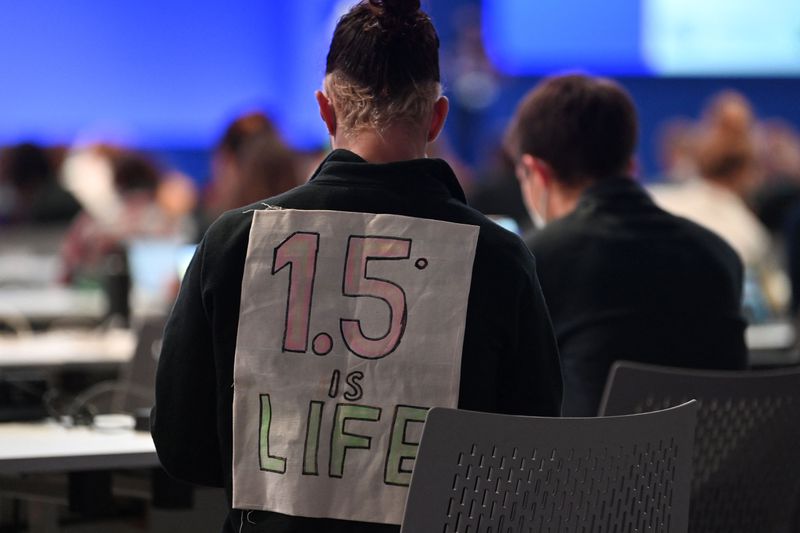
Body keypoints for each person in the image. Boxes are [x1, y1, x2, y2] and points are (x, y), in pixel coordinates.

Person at [151, 1, 562, 532]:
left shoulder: (235, 241)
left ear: (325, 111)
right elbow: (531, 454)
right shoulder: (498, 259)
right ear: (437, 118)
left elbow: (184, 449)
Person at [506, 74, 747, 417]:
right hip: (710, 468)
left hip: (584, 468)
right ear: (630, 167)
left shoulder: (534, 260)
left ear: (536, 172)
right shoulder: (721, 255)